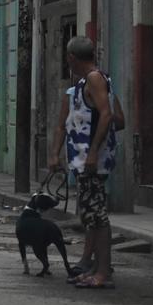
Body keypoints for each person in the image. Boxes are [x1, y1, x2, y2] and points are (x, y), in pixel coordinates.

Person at [49, 36, 125, 290]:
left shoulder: (94, 78)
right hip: (84, 161)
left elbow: (108, 114)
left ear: (71, 58)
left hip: (92, 162)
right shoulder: (89, 82)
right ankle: (95, 267)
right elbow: (115, 118)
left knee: (97, 217)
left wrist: (93, 151)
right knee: (91, 216)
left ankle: (103, 272)